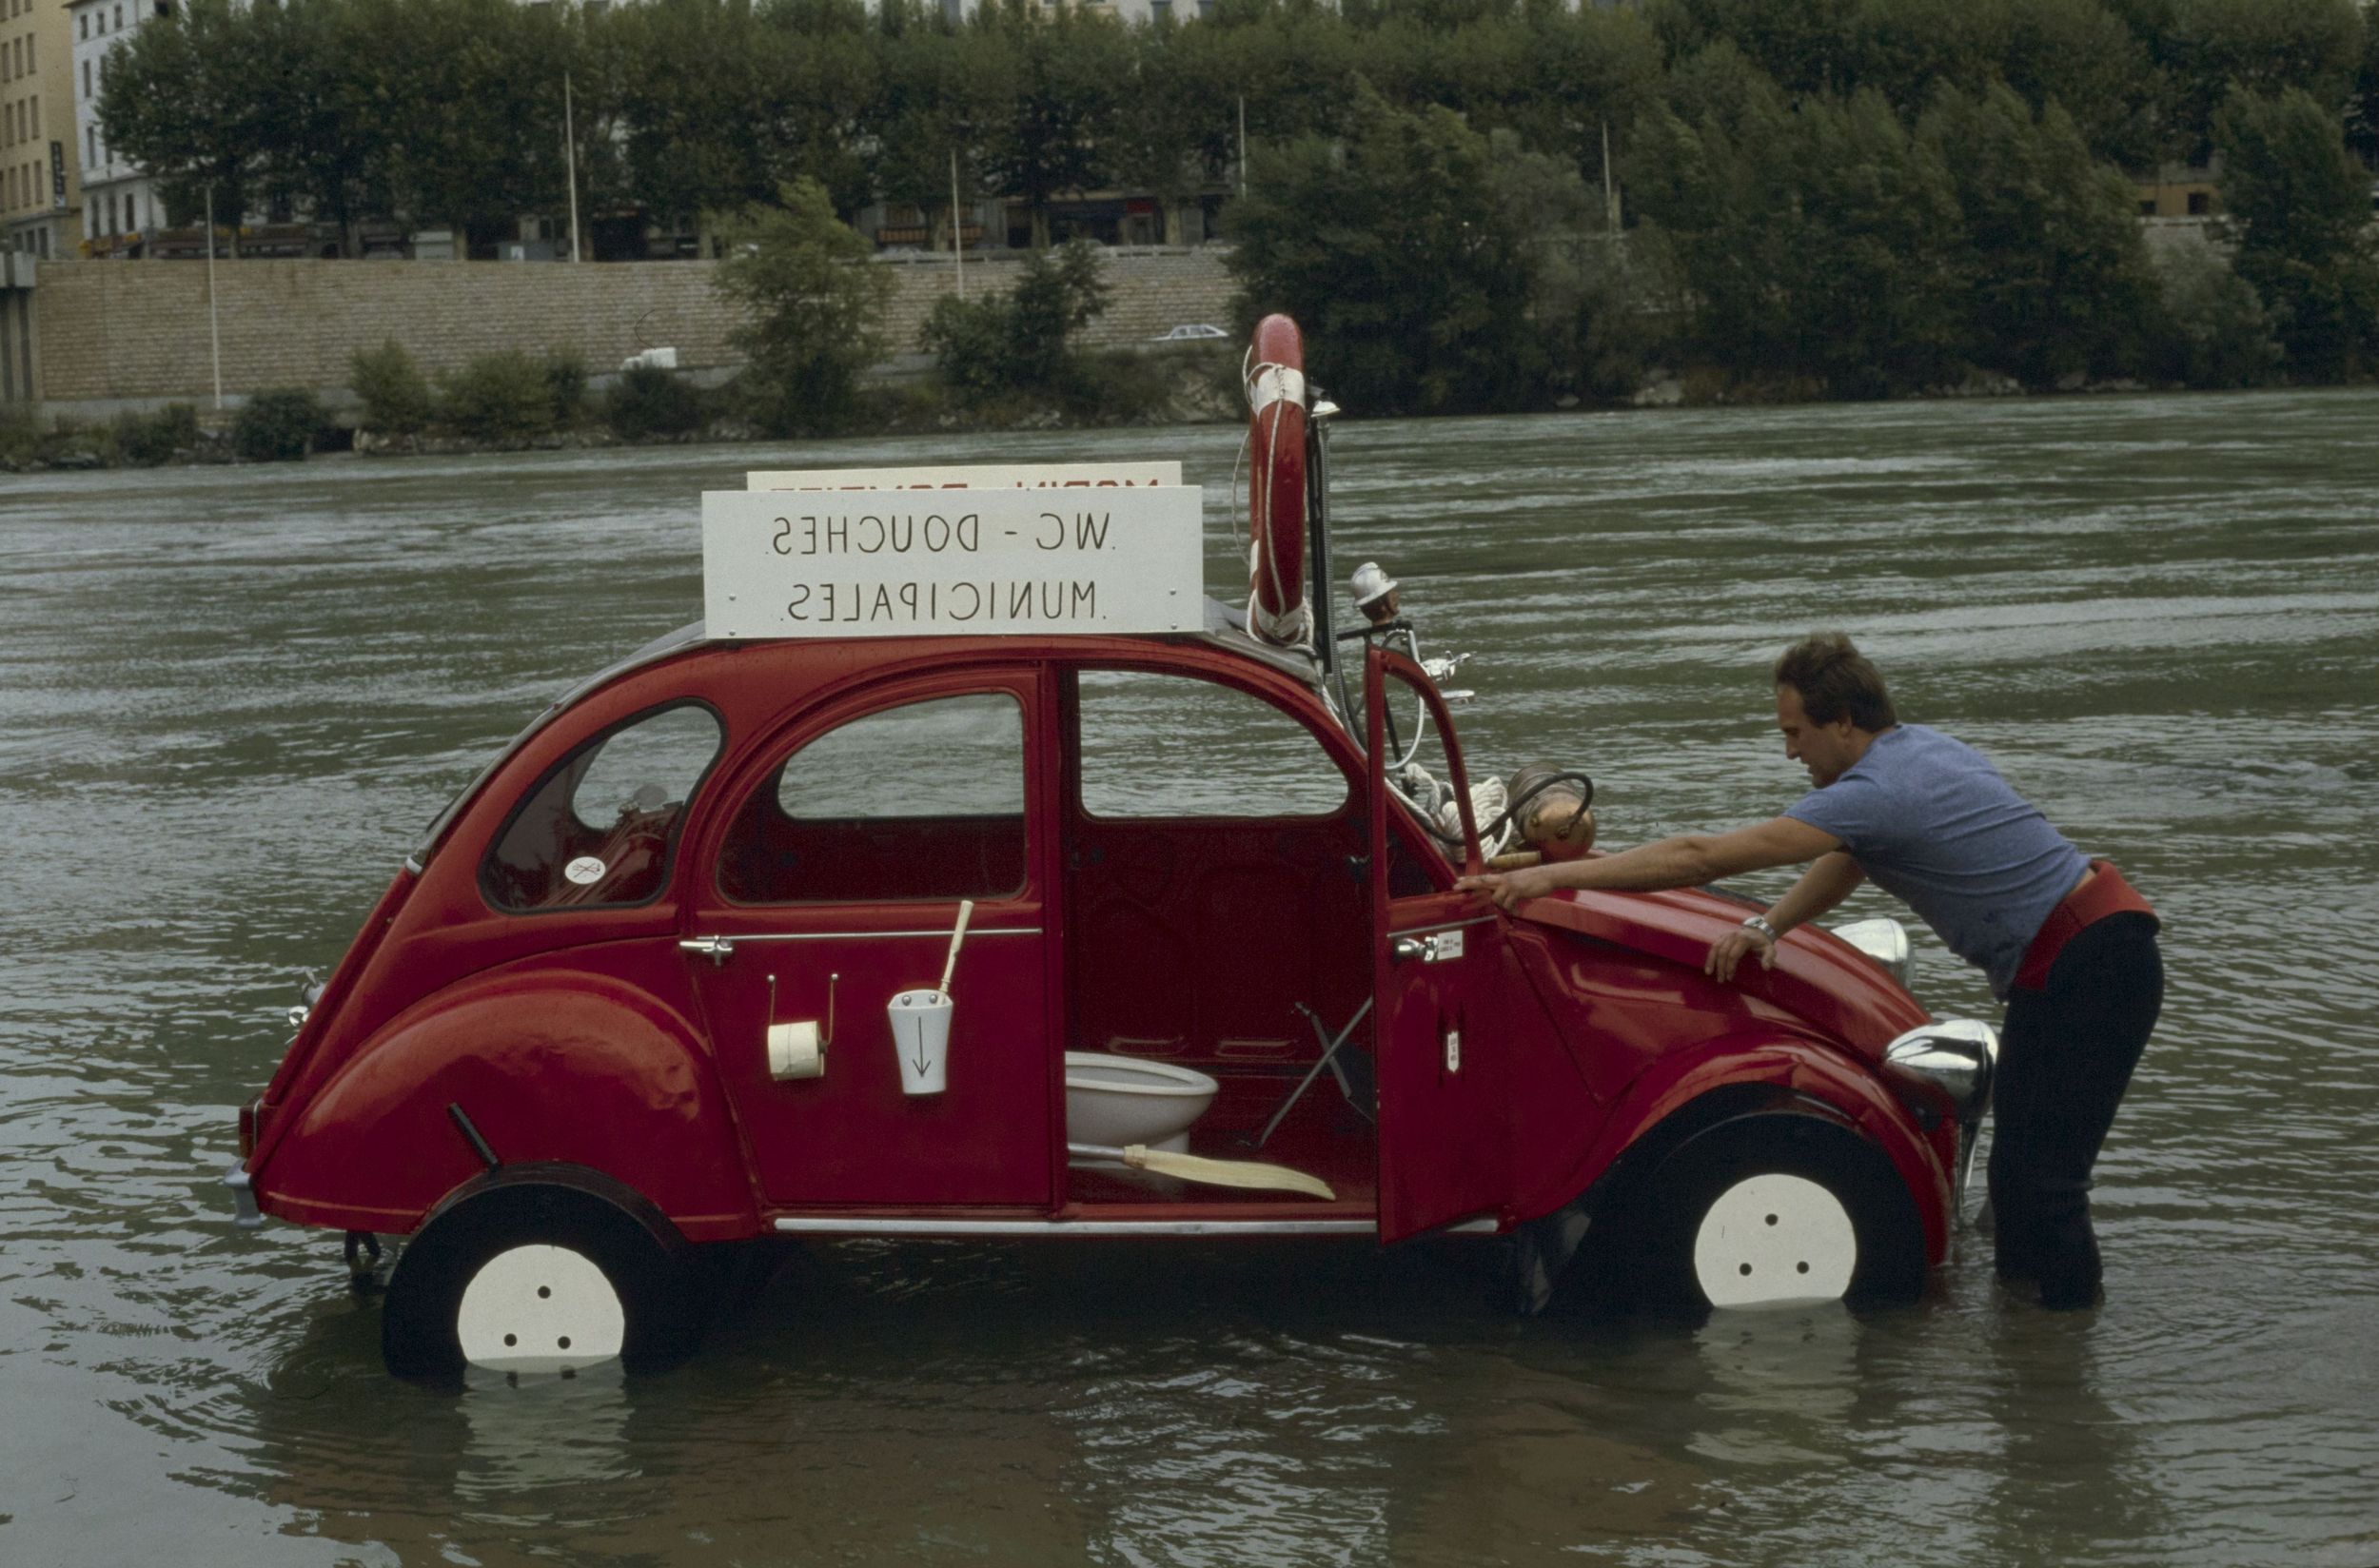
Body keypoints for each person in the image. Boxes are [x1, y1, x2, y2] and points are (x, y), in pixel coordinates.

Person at [1457, 632, 2162, 1309]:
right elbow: (1853, 857)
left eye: (1796, 733)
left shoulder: (1874, 792)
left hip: (2092, 963)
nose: (1790, 751)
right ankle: (2028, 1331)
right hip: (2087, 954)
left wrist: (1553, 881)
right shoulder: (1918, 753)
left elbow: (1701, 856)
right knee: (2018, 1178)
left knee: (2049, 1185)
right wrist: (1770, 925)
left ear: (1845, 724)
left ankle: (2061, 1358)